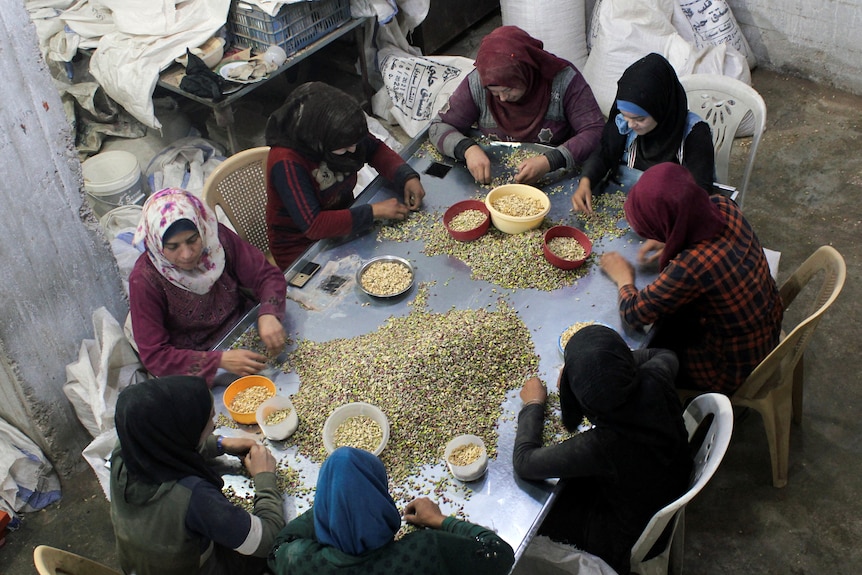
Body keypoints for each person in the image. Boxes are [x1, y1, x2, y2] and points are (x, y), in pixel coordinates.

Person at [512, 325, 693, 574]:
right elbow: (665, 354)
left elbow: (524, 463)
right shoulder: (656, 379)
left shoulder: (603, 445)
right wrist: (609, 365)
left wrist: (533, 405)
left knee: (548, 510)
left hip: (628, 535)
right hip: (668, 483)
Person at [600, 163, 783, 393]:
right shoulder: (722, 206)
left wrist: (623, 278)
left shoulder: (691, 266)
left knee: (646, 359)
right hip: (766, 330)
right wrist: (673, 236)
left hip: (732, 367)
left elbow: (634, 313)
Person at [110, 376, 285, 575]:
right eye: (209, 418)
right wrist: (264, 477)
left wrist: (220, 444)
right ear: (185, 431)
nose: (215, 423)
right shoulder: (193, 497)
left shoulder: (127, 451)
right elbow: (269, 538)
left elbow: (168, 448)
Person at [269, 446, 515, 575]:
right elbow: (500, 555)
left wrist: (334, 503)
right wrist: (439, 520)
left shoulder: (299, 561)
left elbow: (278, 546)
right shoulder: (423, 550)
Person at [129, 188, 288, 386]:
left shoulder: (217, 239)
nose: (187, 254)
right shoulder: (145, 280)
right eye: (173, 247)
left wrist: (269, 313)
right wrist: (219, 361)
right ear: (156, 244)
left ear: (201, 228)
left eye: (192, 240)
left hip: (243, 328)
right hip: (195, 363)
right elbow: (155, 356)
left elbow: (267, 275)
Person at [265, 82, 426, 271]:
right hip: (301, 248)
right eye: (345, 146)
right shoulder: (286, 162)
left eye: (354, 143)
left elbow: (374, 148)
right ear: (319, 138)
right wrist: (373, 211)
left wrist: (405, 176)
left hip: (345, 222)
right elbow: (313, 225)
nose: (354, 149)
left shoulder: (338, 136)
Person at [428, 25, 604, 186]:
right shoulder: (477, 83)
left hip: (558, 175)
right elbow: (439, 126)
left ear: (525, 73)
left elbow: (595, 130)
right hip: (496, 173)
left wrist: (549, 161)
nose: (502, 99)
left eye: (508, 90)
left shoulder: (563, 80)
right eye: (495, 93)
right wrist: (467, 149)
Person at [572, 52, 716, 214]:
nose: (631, 124)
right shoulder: (625, 121)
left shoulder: (694, 133)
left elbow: (699, 195)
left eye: (639, 119)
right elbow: (604, 152)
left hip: (671, 211)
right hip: (624, 200)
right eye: (625, 116)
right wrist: (586, 181)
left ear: (660, 109)